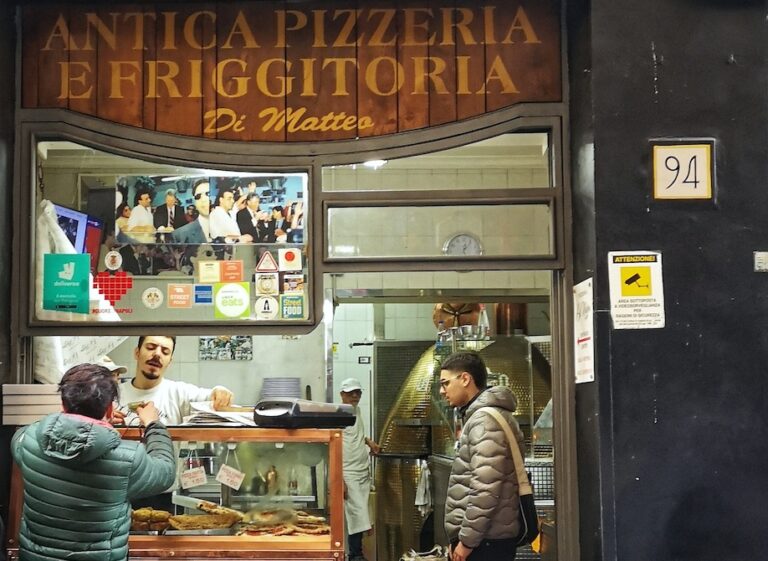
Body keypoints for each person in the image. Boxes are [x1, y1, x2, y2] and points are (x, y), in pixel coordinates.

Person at [11, 363, 175, 561]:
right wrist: (153, 424)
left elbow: (23, 435)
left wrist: (91, 426)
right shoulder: (128, 457)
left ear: (63, 404)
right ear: (110, 408)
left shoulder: (28, 439)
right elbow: (165, 472)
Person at [439, 352, 525, 561]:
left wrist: (467, 542)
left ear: (466, 379)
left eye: (446, 383)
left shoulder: (484, 422)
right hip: (487, 538)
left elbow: (485, 488)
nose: (442, 391)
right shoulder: (486, 416)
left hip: (486, 542)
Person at [113, 335, 234, 426]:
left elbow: (211, 395)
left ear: (169, 361)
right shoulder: (112, 393)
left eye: (165, 352)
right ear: (137, 353)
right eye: (151, 348)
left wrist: (220, 391)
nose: (157, 354)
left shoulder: (178, 392)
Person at [339, 377, 379, 561]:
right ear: (342, 395)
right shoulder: (338, 414)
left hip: (362, 470)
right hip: (348, 473)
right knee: (357, 514)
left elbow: (355, 435)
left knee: (361, 514)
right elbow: (332, 444)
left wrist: (368, 441)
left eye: (358, 392)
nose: (355, 396)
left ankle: (357, 552)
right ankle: (354, 554)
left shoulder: (357, 411)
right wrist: (338, 478)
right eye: (350, 393)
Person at [170, 179, 212, 244]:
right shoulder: (179, 236)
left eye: (208, 194)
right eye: (198, 196)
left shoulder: (230, 227)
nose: (203, 199)